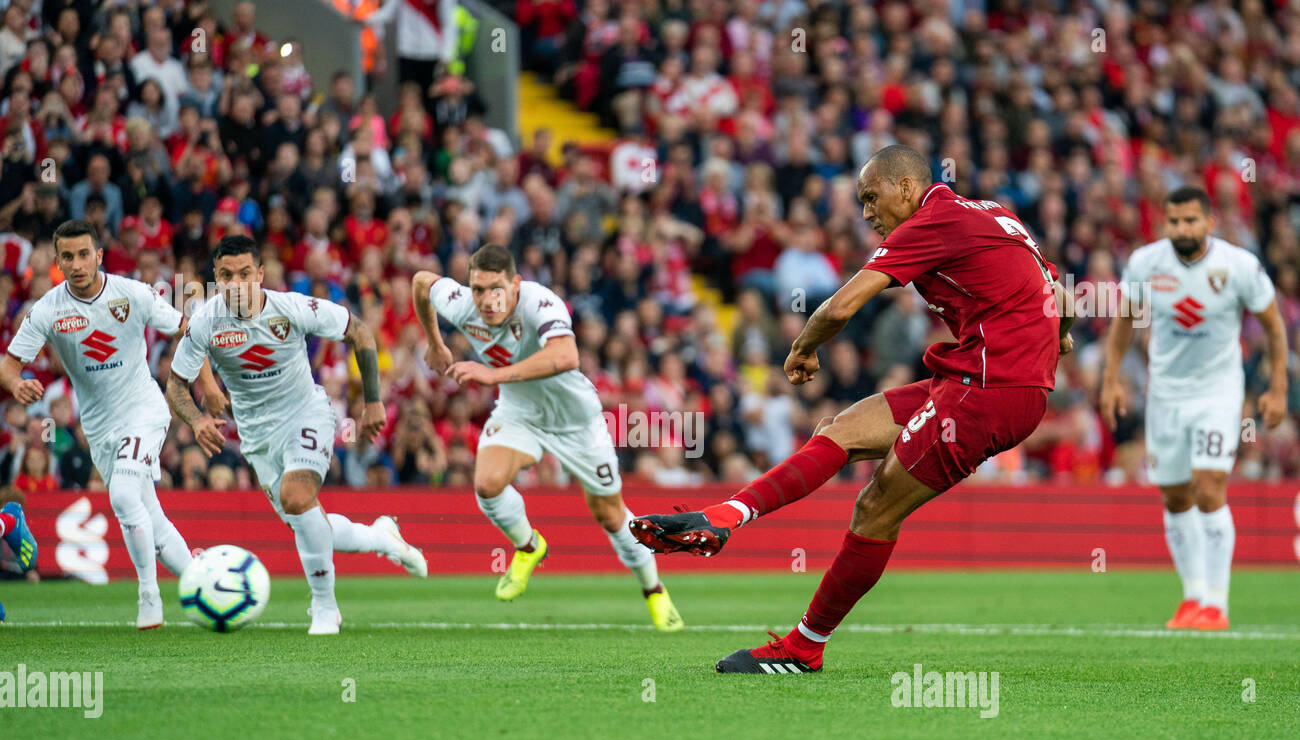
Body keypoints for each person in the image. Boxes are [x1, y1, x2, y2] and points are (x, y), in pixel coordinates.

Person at [631, 145, 1074, 672]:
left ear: (906, 187)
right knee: (839, 431)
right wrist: (1058, 340)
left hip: (989, 389)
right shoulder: (995, 214)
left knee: (875, 506)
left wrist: (802, 349)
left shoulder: (932, 220)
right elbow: (1059, 296)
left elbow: (840, 305)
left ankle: (804, 647)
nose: (866, 213)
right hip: (975, 377)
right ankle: (724, 517)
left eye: (871, 197)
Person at [413, 244, 684, 630]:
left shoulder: (540, 302)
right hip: (519, 412)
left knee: (610, 515)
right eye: (478, 289)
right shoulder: (462, 305)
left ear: (515, 284)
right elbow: (422, 282)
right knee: (487, 484)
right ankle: (529, 546)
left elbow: (566, 357)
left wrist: (493, 375)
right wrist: (435, 342)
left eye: (495, 289)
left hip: (575, 419)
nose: (487, 300)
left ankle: (654, 590)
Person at [166, 235, 427, 635]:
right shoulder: (205, 321)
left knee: (298, 497)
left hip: (306, 414)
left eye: (244, 274)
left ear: (261, 275)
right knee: (305, 522)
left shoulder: (290, 308)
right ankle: (382, 537)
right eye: (225, 276)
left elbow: (360, 332)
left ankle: (325, 608)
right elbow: (175, 385)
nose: (236, 284)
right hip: (256, 437)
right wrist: (197, 420)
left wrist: (373, 402)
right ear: (216, 280)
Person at [0, 220, 215, 627]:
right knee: (148, 513)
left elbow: (187, 332)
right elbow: (9, 365)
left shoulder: (133, 294)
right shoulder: (48, 309)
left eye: (84, 254)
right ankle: (201, 584)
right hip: (99, 428)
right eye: (68, 257)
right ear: (58, 262)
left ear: (99, 255)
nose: (77, 263)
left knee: (121, 494)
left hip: (144, 410)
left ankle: (149, 596)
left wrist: (205, 387)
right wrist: (17, 384)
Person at [1100, 186, 1288, 631]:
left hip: (1219, 392)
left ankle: (1217, 606)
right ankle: (1194, 598)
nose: (1182, 229)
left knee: (1209, 485)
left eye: (1190, 220)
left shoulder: (1238, 266)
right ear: (1164, 223)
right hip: (1166, 392)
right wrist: (1110, 380)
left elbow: (1273, 324)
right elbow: (1124, 320)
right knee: (1176, 494)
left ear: (1209, 222)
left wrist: (1278, 385)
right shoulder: (1146, 263)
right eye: (1174, 221)